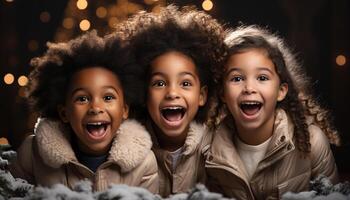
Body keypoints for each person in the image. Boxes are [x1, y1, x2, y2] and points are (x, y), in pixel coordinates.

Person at [10, 31, 158, 192]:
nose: (95, 108)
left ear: (124, 110)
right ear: (64, 113)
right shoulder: (32, 155)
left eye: (108, 97)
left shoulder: (144, 163)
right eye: (82, 99)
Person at [205, 25, 340, 199]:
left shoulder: (312, 142)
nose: (249, 88)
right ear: (223, 93)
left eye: (262, 78)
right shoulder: (208, 149)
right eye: (237, 78)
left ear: (281, 91)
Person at [109, 5, 226, 197]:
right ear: (144, 94)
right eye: (160, 83)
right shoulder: (124, 151)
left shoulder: (217, 149)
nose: (172, 92)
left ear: (202, 96)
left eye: (185, 83)